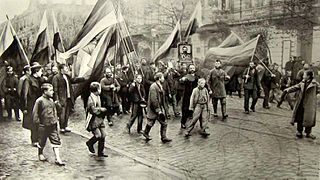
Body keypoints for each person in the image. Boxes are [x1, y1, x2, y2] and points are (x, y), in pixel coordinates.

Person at [32, 83, 65, 166]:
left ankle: (58, 158)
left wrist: (58, 106)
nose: (53, 92)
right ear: (44, 91)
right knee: (42, 141)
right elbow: (35, 114)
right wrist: (38, 124)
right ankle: (40, 153)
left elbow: (58, 111)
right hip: (43, 125)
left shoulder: (52, 100)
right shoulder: (39, 101)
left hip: (52, 125)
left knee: (55, 141)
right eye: (50, 90)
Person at [284, 70, 320, 139]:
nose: (303, 76)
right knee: (300, 117)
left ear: (308, 76)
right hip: (301, 103)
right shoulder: (303, 82)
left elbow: (318, 90)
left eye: (304, 75)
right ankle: (299, 131)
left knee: (309, 119)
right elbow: (296, 87)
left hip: (309, 104)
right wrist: (288, 89)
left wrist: (314, 98)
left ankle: (308, 133)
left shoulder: (315, 84)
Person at [52, 64, 85, 133]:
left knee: (67, 112)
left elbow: (73, 80)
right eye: (65, 68)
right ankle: (62, 127)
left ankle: (65, 126)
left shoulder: (67, 76)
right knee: (62, 113)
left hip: (69, 97)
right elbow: (55, 90)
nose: (67, 70)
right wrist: (56, 99)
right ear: (61, 70)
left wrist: (82, 78)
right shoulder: (56, 77)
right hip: (62, 98)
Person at [141, 72, 172, 143]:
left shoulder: (159, 85)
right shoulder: (153, 87)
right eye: (162, 77)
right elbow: (154, 99)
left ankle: (162, 137)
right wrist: (158, 110)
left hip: (157, 108)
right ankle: (161, 137)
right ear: (159, 78)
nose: (163, 79)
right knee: (157, 122)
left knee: (159, 122)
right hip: (154, 109)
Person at [22, 62, 44, 147]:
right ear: (36, 71)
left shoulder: (40, 80)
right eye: (40, 71)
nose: (42, 72)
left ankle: (39, 139)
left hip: (40, 104)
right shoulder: (28, 80)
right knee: (34, 122)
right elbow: (25, 94)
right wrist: (25, 107)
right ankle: (34, 140)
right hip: (32, 104)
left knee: (40, 122)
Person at [85, 82, 108, 157]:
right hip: (93, 119)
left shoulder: (98, 96)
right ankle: (90, 143)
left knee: (103, 135)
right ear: (97, 90)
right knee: (98, 135)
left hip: (100, 119)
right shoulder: (90, 99)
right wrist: (101, 109)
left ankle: (100, 152)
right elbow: (93, 110)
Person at [179, 64, 199, 129]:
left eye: (193, 68)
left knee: (194, 110)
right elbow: (181, 81)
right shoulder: (186, 76)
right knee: (185, 109)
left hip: (195, 95)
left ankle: (192, 123)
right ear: (189, 69)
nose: (192, 69)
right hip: (187, 96)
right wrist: (182, 79)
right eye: (191, 68)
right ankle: (183, 123)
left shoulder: (197, 77)